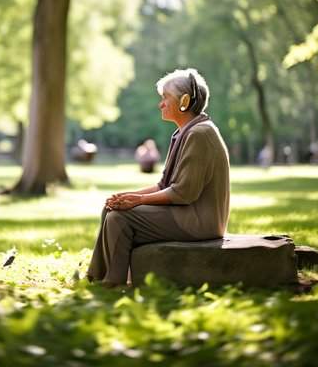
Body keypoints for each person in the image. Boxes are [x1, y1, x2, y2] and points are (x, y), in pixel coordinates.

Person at [87, 68, 230, 287]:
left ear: (184, 101)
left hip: (200, 221)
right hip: (186, 213)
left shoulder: (199, 134)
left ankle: (114, 284)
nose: (160, 104)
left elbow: (183, 192)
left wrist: (139, 201)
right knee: (111, 208)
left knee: (120, 218)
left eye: (165, 98)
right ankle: (96, 276)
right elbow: (164, 185)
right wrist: (128, 196)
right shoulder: (186, 131)